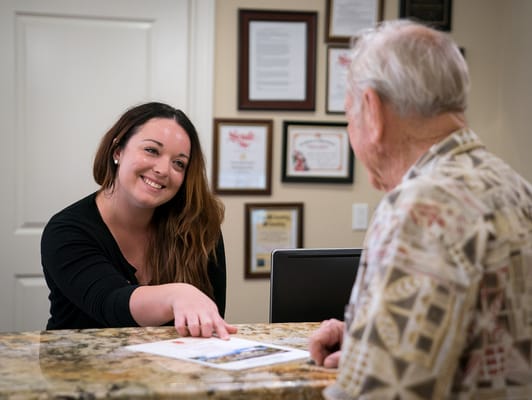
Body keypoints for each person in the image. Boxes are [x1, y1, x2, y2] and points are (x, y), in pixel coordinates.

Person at [309, 20, 532, 399]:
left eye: (349, 117)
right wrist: (372, 343)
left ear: (372, 112)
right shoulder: (515, 188)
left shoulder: (418, 209)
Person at [41, 101, 237, 339]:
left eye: (179, 163)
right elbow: (110, 304)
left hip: (171, 370)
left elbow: (209, 319)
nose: (164, 169)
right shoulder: (67, 230)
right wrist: (178, 295)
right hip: (78, 369)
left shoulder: (198, 226)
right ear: (117, 151)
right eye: (152, 150)